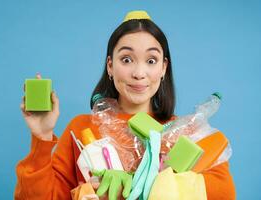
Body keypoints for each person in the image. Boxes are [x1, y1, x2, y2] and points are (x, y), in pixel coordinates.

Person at [15, 10, 236, 200]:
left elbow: (224, 192)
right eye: (127, 59)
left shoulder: (187, 133)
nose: (139, 73)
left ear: (163, 68)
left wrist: (136, 185)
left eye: (151, 61)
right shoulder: (81, 129)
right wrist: (42, 137)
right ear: (110, 66)